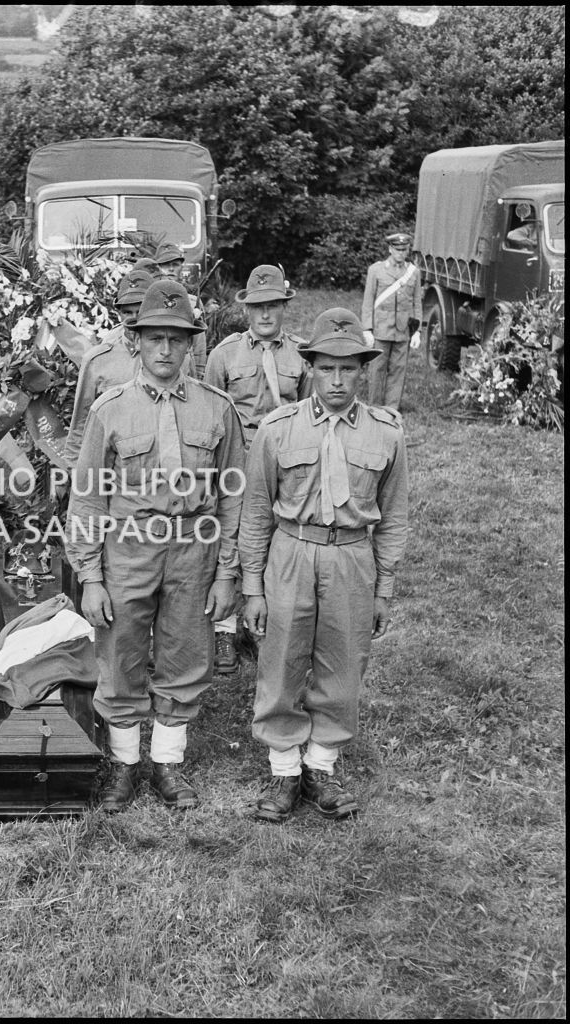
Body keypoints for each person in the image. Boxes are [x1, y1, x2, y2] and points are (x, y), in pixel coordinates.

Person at [65, 279, 247, 813]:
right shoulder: (110, 409)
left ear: (191, 343)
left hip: (194, 546)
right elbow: (87, 498)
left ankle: (167, 762)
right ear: (136, 341)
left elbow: (234, 494)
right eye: (154, 339)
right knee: (120, 654)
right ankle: (124, 764)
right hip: (129, 547)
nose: (165, 350)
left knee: (186, 652)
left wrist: (227, 573)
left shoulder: (218, 409)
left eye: (176, 339)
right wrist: (92, 577)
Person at [240, 307, 408, 823]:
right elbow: (255, 511)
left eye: (349, 368)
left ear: (364, 371)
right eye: (326, 368)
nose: (337, 380)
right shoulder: (277, 429)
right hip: (291, 552)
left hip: (352, 556)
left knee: (343, 661)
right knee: (281, 658)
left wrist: (383, 587)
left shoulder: (386, 434)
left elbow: (395, 515)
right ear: (310, 367)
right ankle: (285, 771)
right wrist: (252, 585)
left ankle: (322, 767)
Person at [204, 264, 311, 674]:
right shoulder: (224, 354)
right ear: (246, 310)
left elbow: (307, 412)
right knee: (229, 537)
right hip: (237, 459)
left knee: (278, 536)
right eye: (258, 307)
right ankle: (226, 630)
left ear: (284, 307)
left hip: (284, 462)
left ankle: (270, 621)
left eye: (274, 307)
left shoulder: (301, 354)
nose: (266, 315)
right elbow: (211, 412)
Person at [62, 266, 155, 465]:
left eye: (140, 311)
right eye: (127, 311)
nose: (133, 318)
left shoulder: (173, 356)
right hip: (113, 464)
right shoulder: (98, 360)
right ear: (118, 313)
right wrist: (71, 467)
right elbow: (81, 418)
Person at [361, 231, 422, 410]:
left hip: (402, 330)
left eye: (404, 249)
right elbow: (368, 300)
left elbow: (417, 302)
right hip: (381, 328)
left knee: (398, 370)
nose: (401, 253)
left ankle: (391, 409)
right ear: (390, 249)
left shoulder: (413, 273)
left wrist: (417, 330)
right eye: (397, 249)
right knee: (377, 370)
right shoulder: (376, 270)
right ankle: (374, 408)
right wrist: (367, 329)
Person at [154, 241, 207, 377]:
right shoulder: (149, 300)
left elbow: (199, 344)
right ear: (158, 267)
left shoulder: (193, 302)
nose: (171, 269)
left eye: (175, 264)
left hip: (186, 372)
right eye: (166, 264)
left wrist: (200, 375)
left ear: (181, 267)